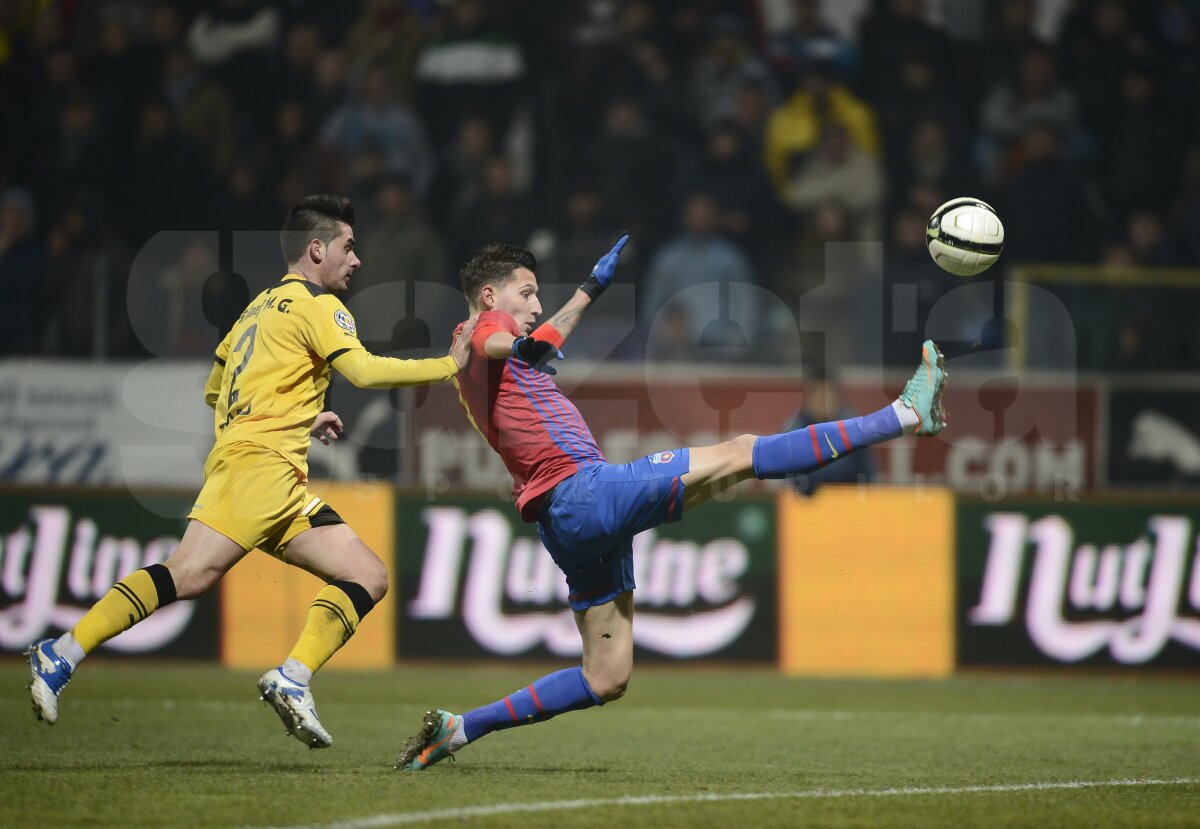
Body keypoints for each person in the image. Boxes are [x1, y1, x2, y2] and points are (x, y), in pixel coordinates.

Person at [394, 236, 946, 770]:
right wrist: (536, 330)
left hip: (564, 521)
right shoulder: (485, 332)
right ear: (490, 295)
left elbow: (532, 345)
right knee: (741, 452)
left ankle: (461, 728)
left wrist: (587, 291)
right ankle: (902, 415)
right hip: (585, 493)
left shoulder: (483, 355)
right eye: (527, 293)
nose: (537, 306)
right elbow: (506, 341)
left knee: (605, 677)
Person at [27, 194, 476, 749]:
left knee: (367, 575)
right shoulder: (319, 306)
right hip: (260, 467)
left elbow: (218, 391)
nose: (357, 259)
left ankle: (293, 677)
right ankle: (62, 652)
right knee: (189, 574)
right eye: (348, 246)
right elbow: (362, 371)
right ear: (317, 249)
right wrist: (449, 365)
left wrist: (299, 416)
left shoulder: (256, 308)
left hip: (274, 472)